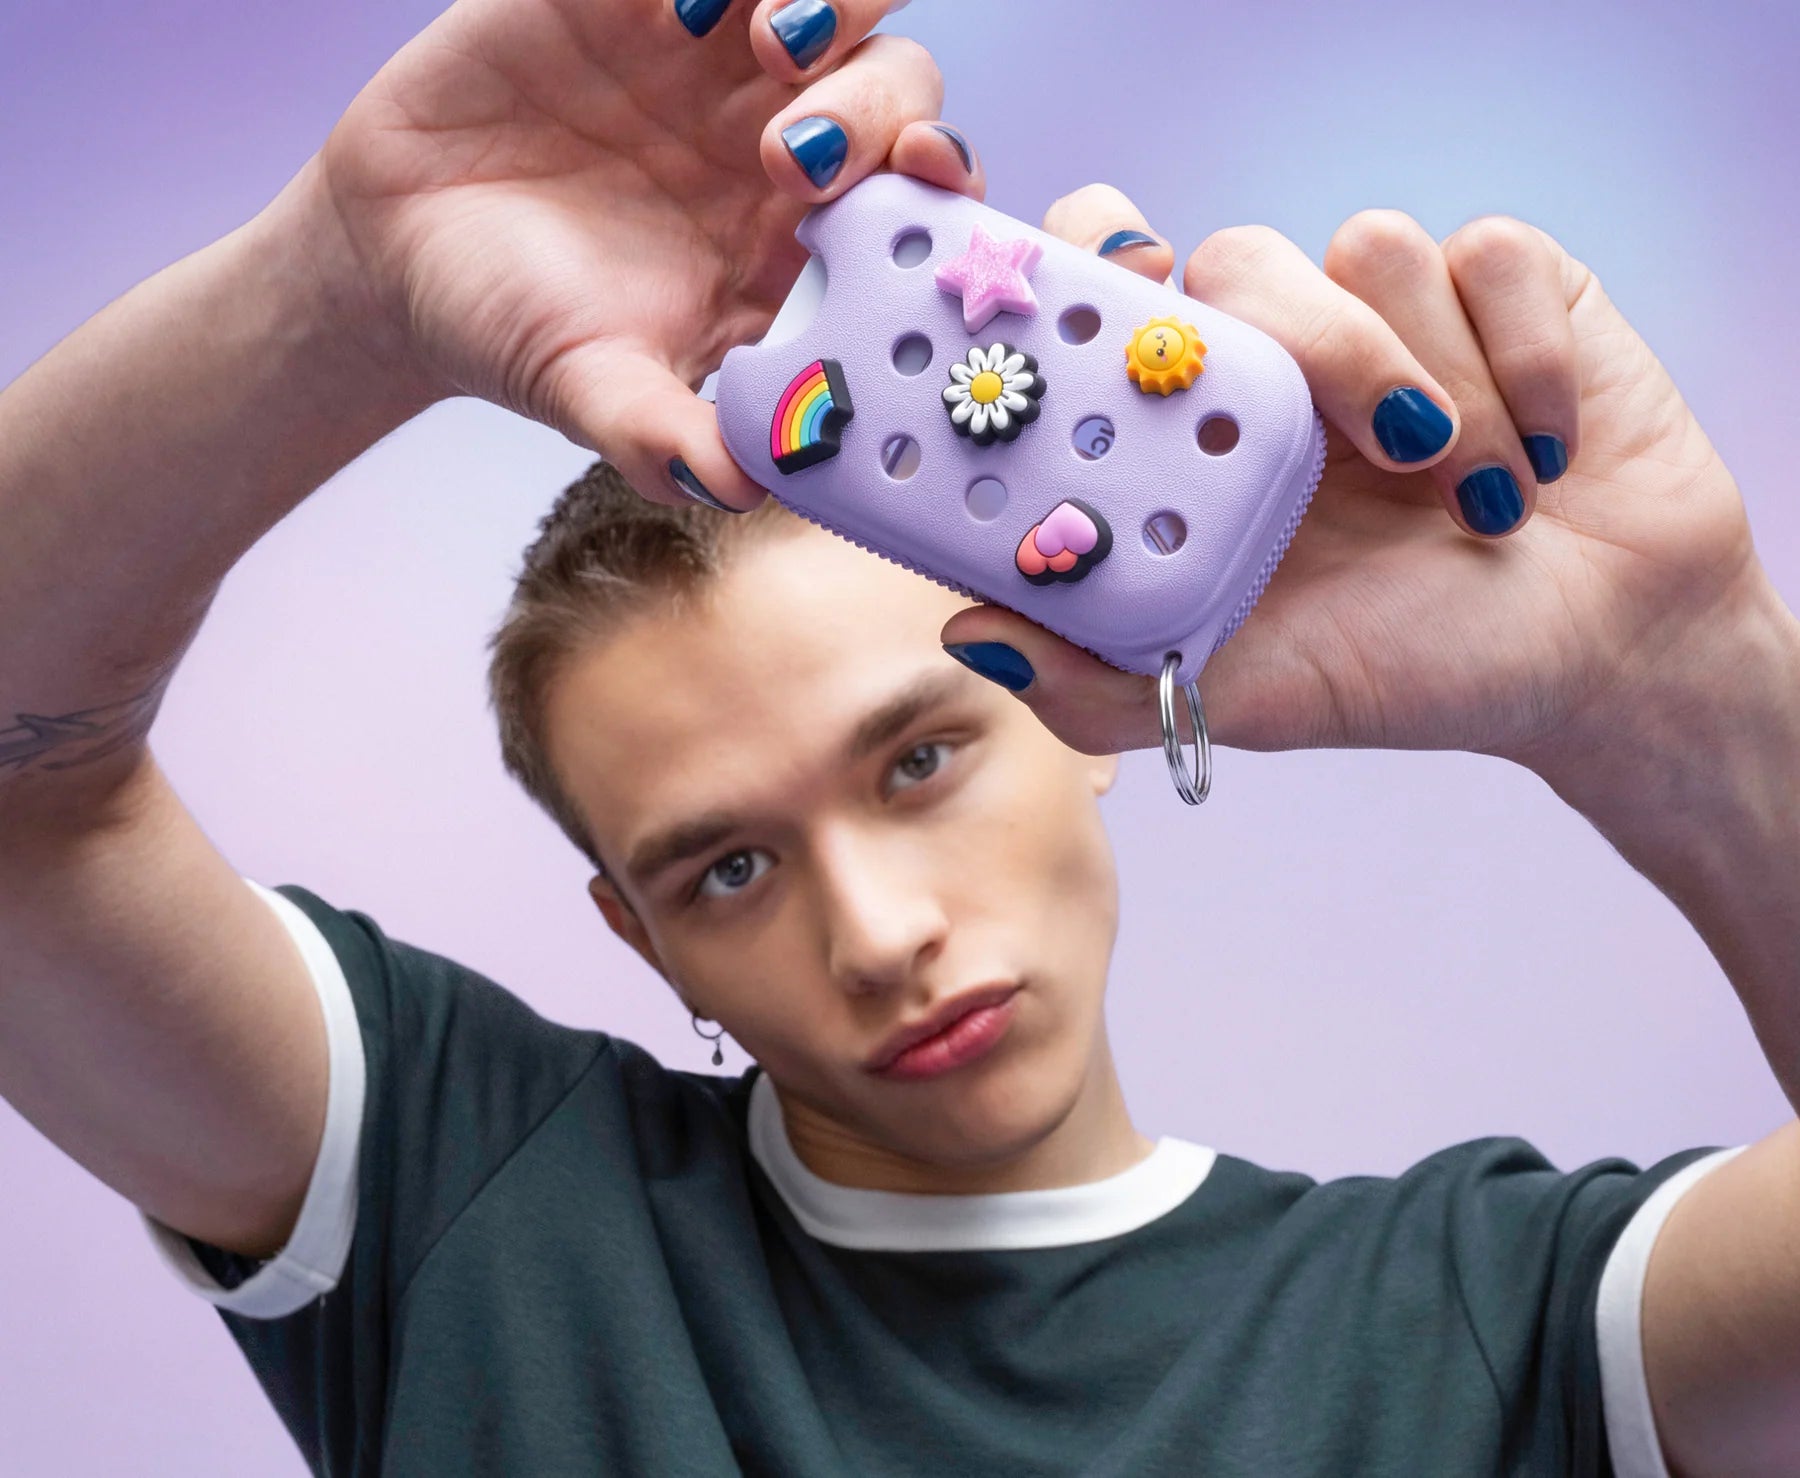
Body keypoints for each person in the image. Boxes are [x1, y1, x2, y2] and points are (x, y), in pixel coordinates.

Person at [1, 2, 1796, 1476]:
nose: (875, 935)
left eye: (919, 760)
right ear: (641, 938)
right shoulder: (472, 1205)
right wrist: (338, 281)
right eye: (727, 867)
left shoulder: (1504, 1318)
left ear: (1079, 717)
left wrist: (1678, 691)